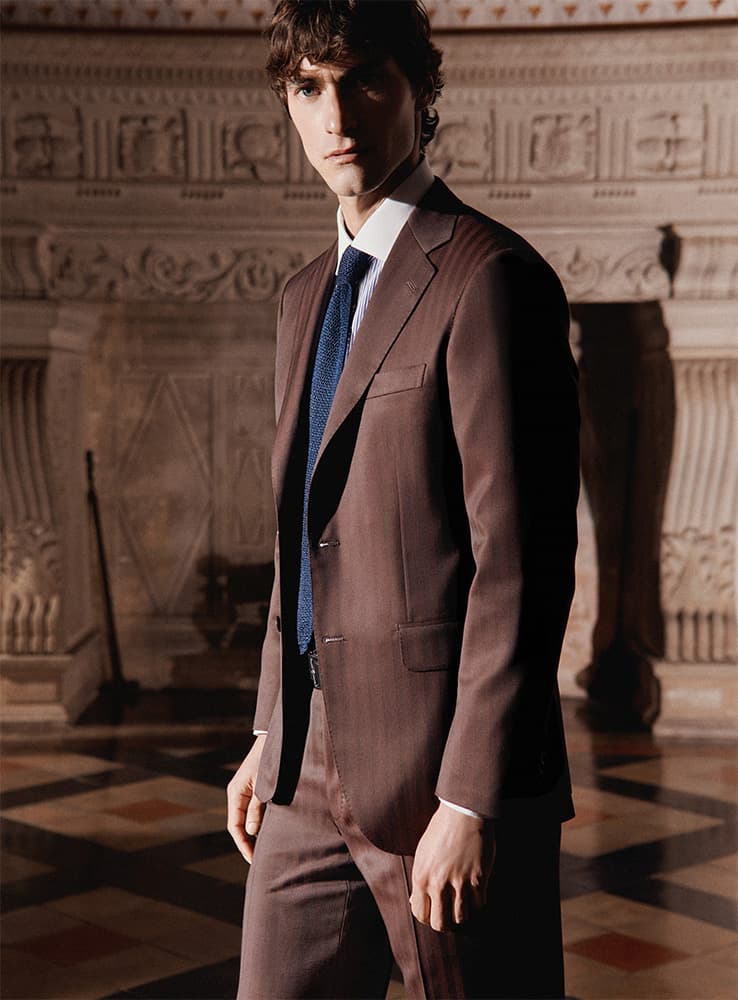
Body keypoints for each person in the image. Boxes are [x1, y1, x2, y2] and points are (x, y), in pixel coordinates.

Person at [226, 2, 579, 997]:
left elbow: (519, 559)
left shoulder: (491, 277)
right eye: (307, 86)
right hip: (305, 761)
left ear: (418, 91)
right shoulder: (303, 298)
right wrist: (269, 729)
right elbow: (304, 533)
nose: (335, 112)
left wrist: (471, 797)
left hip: (443, 768)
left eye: (362, 78)